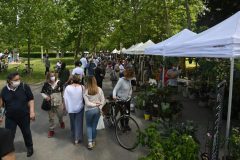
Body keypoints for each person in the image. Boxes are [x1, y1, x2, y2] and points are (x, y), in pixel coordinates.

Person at [0, 72, 35, 157]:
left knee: (26, 132)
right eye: (15, 80)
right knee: (9, 135)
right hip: (10, 118)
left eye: (19, 79)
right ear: (9, 81)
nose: (18, 81)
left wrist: (32, 111)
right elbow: (2, 105)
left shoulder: (24, 87)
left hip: (24, 116)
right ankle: (8, 151)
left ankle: (30, 147)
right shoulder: (4, 90)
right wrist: (1, 116)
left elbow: (31, 99)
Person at [41, 71, 65, 138]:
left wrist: (63, 100)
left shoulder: (59, 82)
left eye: (53, 76)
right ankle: (51, 130)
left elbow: (62, 91)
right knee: (51, 118)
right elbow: (42, 92)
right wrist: (46, 97)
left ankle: (61, 121)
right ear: (48, 77)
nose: (52, 77)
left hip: (59, 103)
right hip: (50, 104)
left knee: (60, 115)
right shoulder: (46, 84)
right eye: (51, 76)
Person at [83, 76, 105, 149]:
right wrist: (99, 107)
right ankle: (93, 141)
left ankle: (89, 143)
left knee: (89, 125)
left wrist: (93, 104)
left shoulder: (86, 91)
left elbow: (87, 103)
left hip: (88, 111)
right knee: (94, 126)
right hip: (97, 110)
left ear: (88, 82)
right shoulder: (99, 89)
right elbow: (103, 101)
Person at [63, 75, 84, 145]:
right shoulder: (82, 87)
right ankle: (78, 138)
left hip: (71, 108)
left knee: (72, 122)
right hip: (80, 107)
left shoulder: (68, 88)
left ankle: (74, 136)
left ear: (72, 80)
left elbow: (65, 98)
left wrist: (65, 107)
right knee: (79, 123)